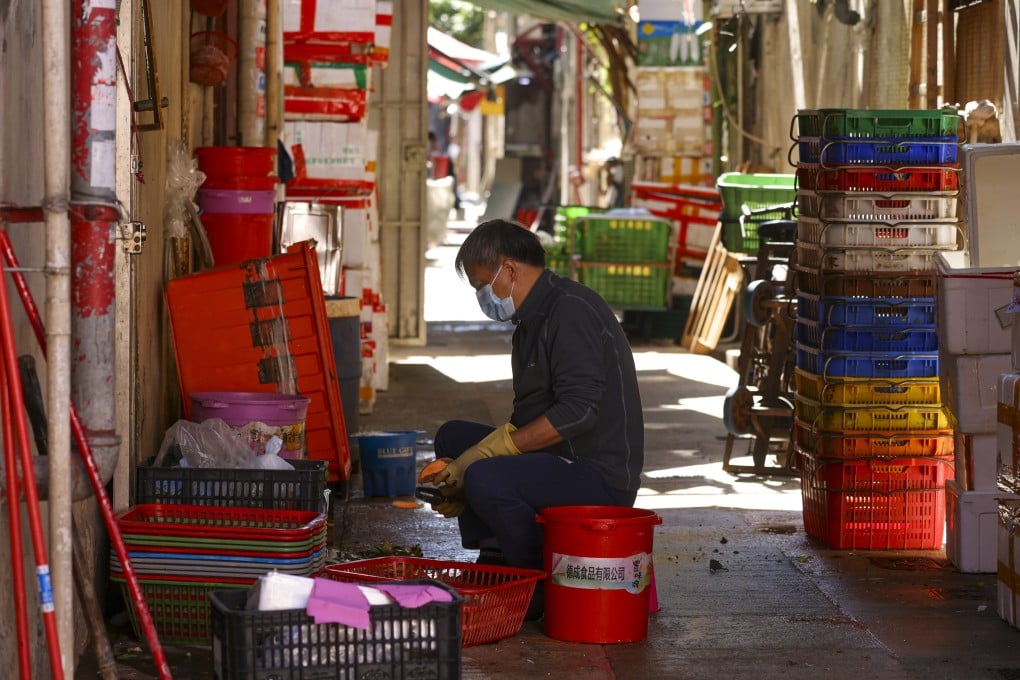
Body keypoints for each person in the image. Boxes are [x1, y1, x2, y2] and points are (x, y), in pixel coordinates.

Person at [428, 218, 644, 619]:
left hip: (596, 474)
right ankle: (497, 552)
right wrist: (471, 457)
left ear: (509, 270)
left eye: (482, 285)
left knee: (484, 476)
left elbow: (578, 411)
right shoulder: (530, 323)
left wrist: (489, 455)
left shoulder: (571, 311)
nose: (483, 296)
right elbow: (526, 417)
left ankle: (536, 584)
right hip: (559, 459)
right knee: (454, 438)